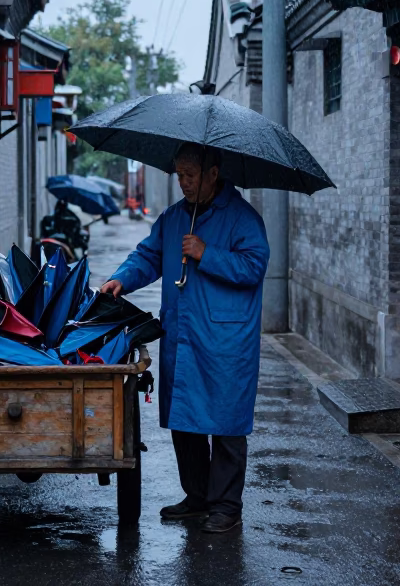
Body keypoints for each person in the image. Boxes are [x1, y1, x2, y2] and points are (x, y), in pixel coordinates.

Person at [100, 143, 269, 534]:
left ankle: (226, 506)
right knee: (186, 420)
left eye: (191, 174)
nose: (184, 182)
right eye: (179, 174)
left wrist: (206, 253)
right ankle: (197, 498)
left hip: (226, 340)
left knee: (226, 423)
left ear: (213, 173)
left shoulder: (242, 219)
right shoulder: (175, 217)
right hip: (183, 335)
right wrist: (122, 278)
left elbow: (254, 266)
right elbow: (148, 255)